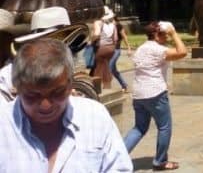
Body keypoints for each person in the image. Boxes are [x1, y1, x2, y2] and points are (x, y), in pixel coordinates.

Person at [0, 38, 132, 172]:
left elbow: (119, 168)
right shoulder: (3, 126)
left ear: (70, 85)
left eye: (57, 93)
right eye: (33, 95)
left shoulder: (95, 116)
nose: (46, 105)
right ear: (17, 88)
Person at [124, 21, 187, 171]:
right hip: (155, 93)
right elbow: (182, 52)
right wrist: (174, 33)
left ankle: (117, 155)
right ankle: (160, 161)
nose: (166, 38)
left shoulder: (141, 49)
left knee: (139, 128)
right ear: (157, 35)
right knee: (164, 127)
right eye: (164, 35)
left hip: (139, 94)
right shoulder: (158, 50)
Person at [91, 6, 117, 89]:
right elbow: (115, 38)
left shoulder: (98, 22)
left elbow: (97, 34)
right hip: (111, 48)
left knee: (98, 69)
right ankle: (107, 87)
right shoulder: (113, 24)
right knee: (105, 67)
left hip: (101, 48)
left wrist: (91, 40)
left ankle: (97, 90)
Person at [110, 16, 131, 92]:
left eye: (111, 20)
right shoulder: (106, 27)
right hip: (109, 50)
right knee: (113, 70)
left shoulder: (118, 26)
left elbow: (124, 37)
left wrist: (128, 48)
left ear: (115, 20)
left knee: (109, 67)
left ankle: (106, 89)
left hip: (116, 50)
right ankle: (124, 85)